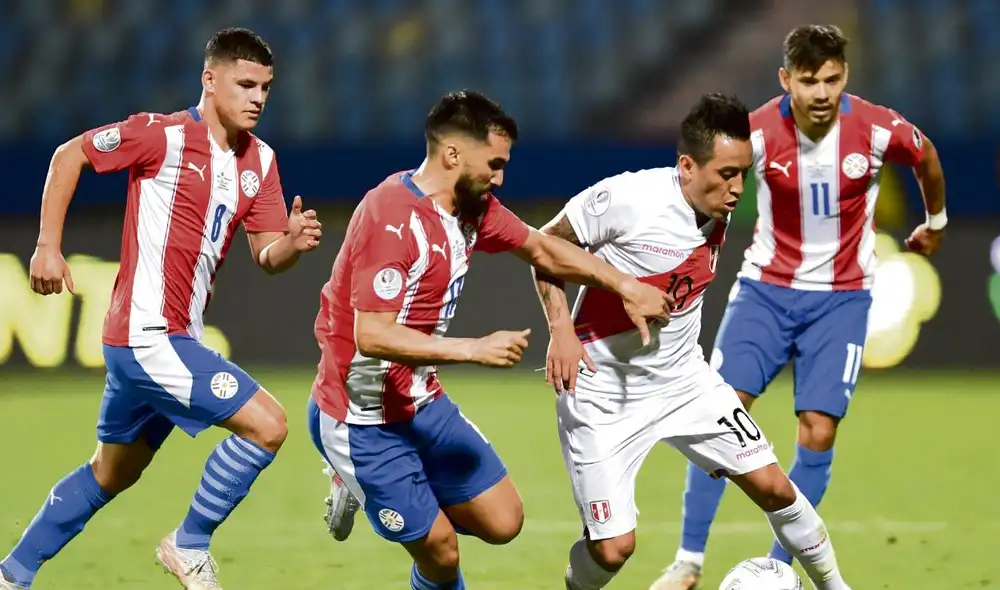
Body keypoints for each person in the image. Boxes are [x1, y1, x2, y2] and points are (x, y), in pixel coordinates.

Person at [307, 90, 672, 590]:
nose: (500, 178)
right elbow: (370, 334)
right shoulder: (390, 216)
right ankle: (360, 478)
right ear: (453, 154)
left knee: (504, 522)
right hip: (359, 416)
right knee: (441, 552)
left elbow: (544, 249)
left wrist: (627, 286)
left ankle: (378, 492)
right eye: (494, 164)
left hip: (419, 401)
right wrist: (472, 349)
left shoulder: (473, 209)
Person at [0, 28, 321, 590]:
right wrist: (47, 245)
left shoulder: (260, 161)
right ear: (209, 79)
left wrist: (290, 244)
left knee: (111, 473)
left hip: (173, 339)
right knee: (268, 426)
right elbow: (68, 154)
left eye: (266, 88)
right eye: (245, 84)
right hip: (146, 335)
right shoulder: (163, 135)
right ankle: (188, 543)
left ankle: (11, 575)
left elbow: (266, 255)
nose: (257, 98)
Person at [652, 25, 947, 590]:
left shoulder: (877, 128)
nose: (820, 93)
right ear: (786, 79)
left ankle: (780, 566)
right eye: (808, 81)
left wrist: (935, 221)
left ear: (845, 77)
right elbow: (706, 187)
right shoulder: (758, 132)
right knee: (719, 416)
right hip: (766, 288)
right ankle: (688, 562)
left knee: (817, 431)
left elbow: (926, 154)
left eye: (831, 80)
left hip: (843, 298)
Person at [534, 93, 853, 590]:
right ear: (686, 166)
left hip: (686, 381)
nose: (736, 187)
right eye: (726, 174)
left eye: (743, 173)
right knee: (614, 549)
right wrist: (561, 331)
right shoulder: (628, 199)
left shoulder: (716, 208)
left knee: (775, 487)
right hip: (603, 394)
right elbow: (544, 247)